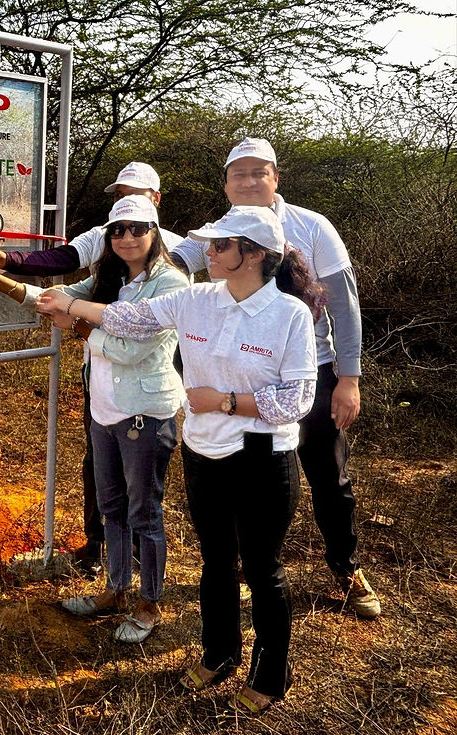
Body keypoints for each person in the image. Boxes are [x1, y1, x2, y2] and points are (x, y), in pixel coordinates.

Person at [37, 206, 322, 713]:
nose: (207, 252)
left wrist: (228, 402)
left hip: (262, 455)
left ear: (253, 255)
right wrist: (74, 305)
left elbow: (298, 398)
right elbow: (133, 319)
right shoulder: (196, 299)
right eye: (210, 245)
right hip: (203, 449)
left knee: (261, 568)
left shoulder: (289, 314)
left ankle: (270, 674)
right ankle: (219, 654)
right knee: (216, 561)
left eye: (219, 246)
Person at [168, 138, 379, 618]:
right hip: (237, 380)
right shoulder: (220, 233)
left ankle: (345, 567)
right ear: (225, 184)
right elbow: (174, 265)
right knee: (241, 473)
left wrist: (349, 378)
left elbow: (344, 308)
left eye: (258, 172)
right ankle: (247, 564)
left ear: (276, 178)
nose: (247, 182)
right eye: (238, 174)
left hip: (312, 371)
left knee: (328, 473)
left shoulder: (312, 227)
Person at [0, 195, 189, 643]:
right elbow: (53, 300)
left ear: (155, 231)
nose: (127, 237)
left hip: (145, 414)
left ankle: (148, 604)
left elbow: (130, 350)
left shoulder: (171, 285)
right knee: (111, 508)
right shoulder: (107, 276)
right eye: (118, 230)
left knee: (144, 512)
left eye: (137, 228)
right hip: (104, 410)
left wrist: (83, 327)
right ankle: (115, 590)